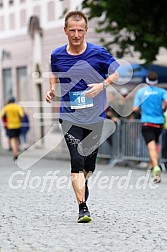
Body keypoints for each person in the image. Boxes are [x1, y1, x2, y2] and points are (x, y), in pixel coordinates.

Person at [45, 11, 119, 223]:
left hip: (95, 116)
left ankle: (83, 182)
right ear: (65, 31)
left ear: (86, 30)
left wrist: (102, 85)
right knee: (76, 160)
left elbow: (116, 72)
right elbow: (55, 73)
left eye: (80, 30)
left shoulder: (98, 53)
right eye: (72, 30)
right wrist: (52, 89)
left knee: (89, 165)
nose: (76, 34)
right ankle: (82, 207)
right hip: (70, 116)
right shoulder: (57, 55)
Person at [133, 71, 167, 183]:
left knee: (151, 147)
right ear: (156, 81)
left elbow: (135, 108)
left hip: (147, 122)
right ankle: (155, 168)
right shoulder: (162, 91)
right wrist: (162, 107)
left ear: (146, 80)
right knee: (156, 145)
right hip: (159, 123)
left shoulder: (141, 92)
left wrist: (142, 108)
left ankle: (156, 167)